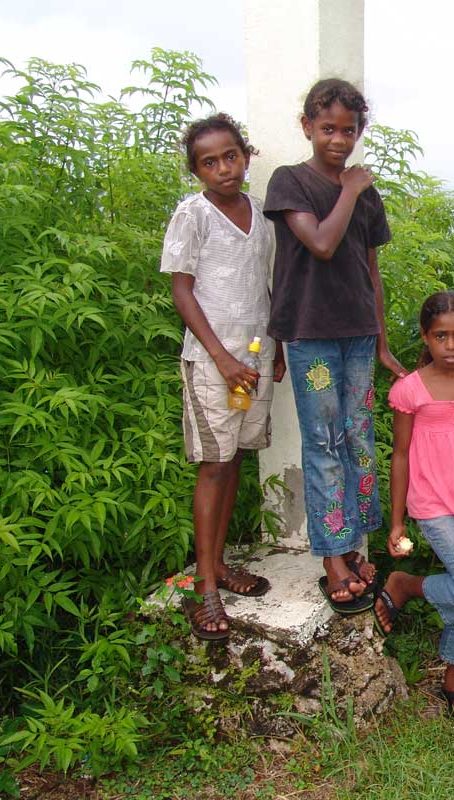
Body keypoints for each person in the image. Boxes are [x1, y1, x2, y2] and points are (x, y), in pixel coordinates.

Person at [263, 79, 407, 612]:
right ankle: (331, 559)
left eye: (349, 130)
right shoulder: (290, 181)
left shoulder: (366, 195)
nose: (339, 140)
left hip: (358, 335)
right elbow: (322, 243)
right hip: (310, 334)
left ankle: (352, 544)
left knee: (358, 439)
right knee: (323, 441)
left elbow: (372, 272)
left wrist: (383, 343)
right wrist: (350, 187)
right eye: (328, 128)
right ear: (307, 127)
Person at [161, 113, 283, 640]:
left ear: (245, 156)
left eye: (230, 156)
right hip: (215, 363)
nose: (223, 168)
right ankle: (203, 586)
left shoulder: (261, 215)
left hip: (255, 358)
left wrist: (278, 346)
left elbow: (265, 285)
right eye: (209, 162)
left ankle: (219, 565)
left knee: (233, 459)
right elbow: (182, 290)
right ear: (196, 171)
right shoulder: (193, 215)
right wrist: (222, 358)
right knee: (213, 464)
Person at [373, 291, 454, 723]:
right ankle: (406, 586)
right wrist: (396, 521)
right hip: (433, 503)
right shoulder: (410, 389)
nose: (450, 345)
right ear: (425, 337)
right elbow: (400, 455)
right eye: (440, 336)